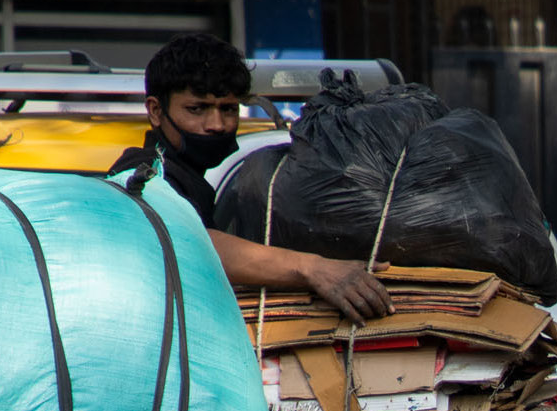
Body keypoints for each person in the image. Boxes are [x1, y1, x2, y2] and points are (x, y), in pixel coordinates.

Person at [110, 32, 391, 324]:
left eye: (228, 109)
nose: (217, 125)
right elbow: (186, 239)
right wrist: (315, 269)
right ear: (156, 111)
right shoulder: (142, 172)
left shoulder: (194, 181)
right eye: (197, 109)